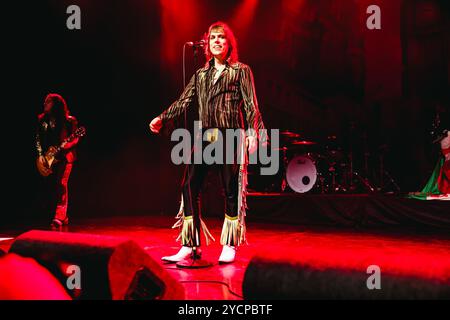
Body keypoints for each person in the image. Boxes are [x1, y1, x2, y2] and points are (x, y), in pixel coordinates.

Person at [149, 21, 267, 264]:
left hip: (231, 134)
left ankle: (229, 244)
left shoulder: (240, 71)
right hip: (206, 135)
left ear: (229, 44)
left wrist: (254, 133)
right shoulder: (201, 74)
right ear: (207, 43)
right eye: (213, 37)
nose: (216, 41)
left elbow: (251, 105)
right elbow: (184, 101)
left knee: (230, 188)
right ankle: (190, 244)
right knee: (189, 186)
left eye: (221, 38)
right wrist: (162, 117)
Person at [36, 93, 80, 228]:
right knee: (51, 186)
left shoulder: (69, 121)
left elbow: (75, 138)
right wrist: (40, 155)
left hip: (66, 157)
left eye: (48, 102)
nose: (45, 104)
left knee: (61, 184)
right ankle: (62, 216)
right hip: (49, 158)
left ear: (55, 104)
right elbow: (38, 138)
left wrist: (66, 145)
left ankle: (59, 217)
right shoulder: (43, 120)